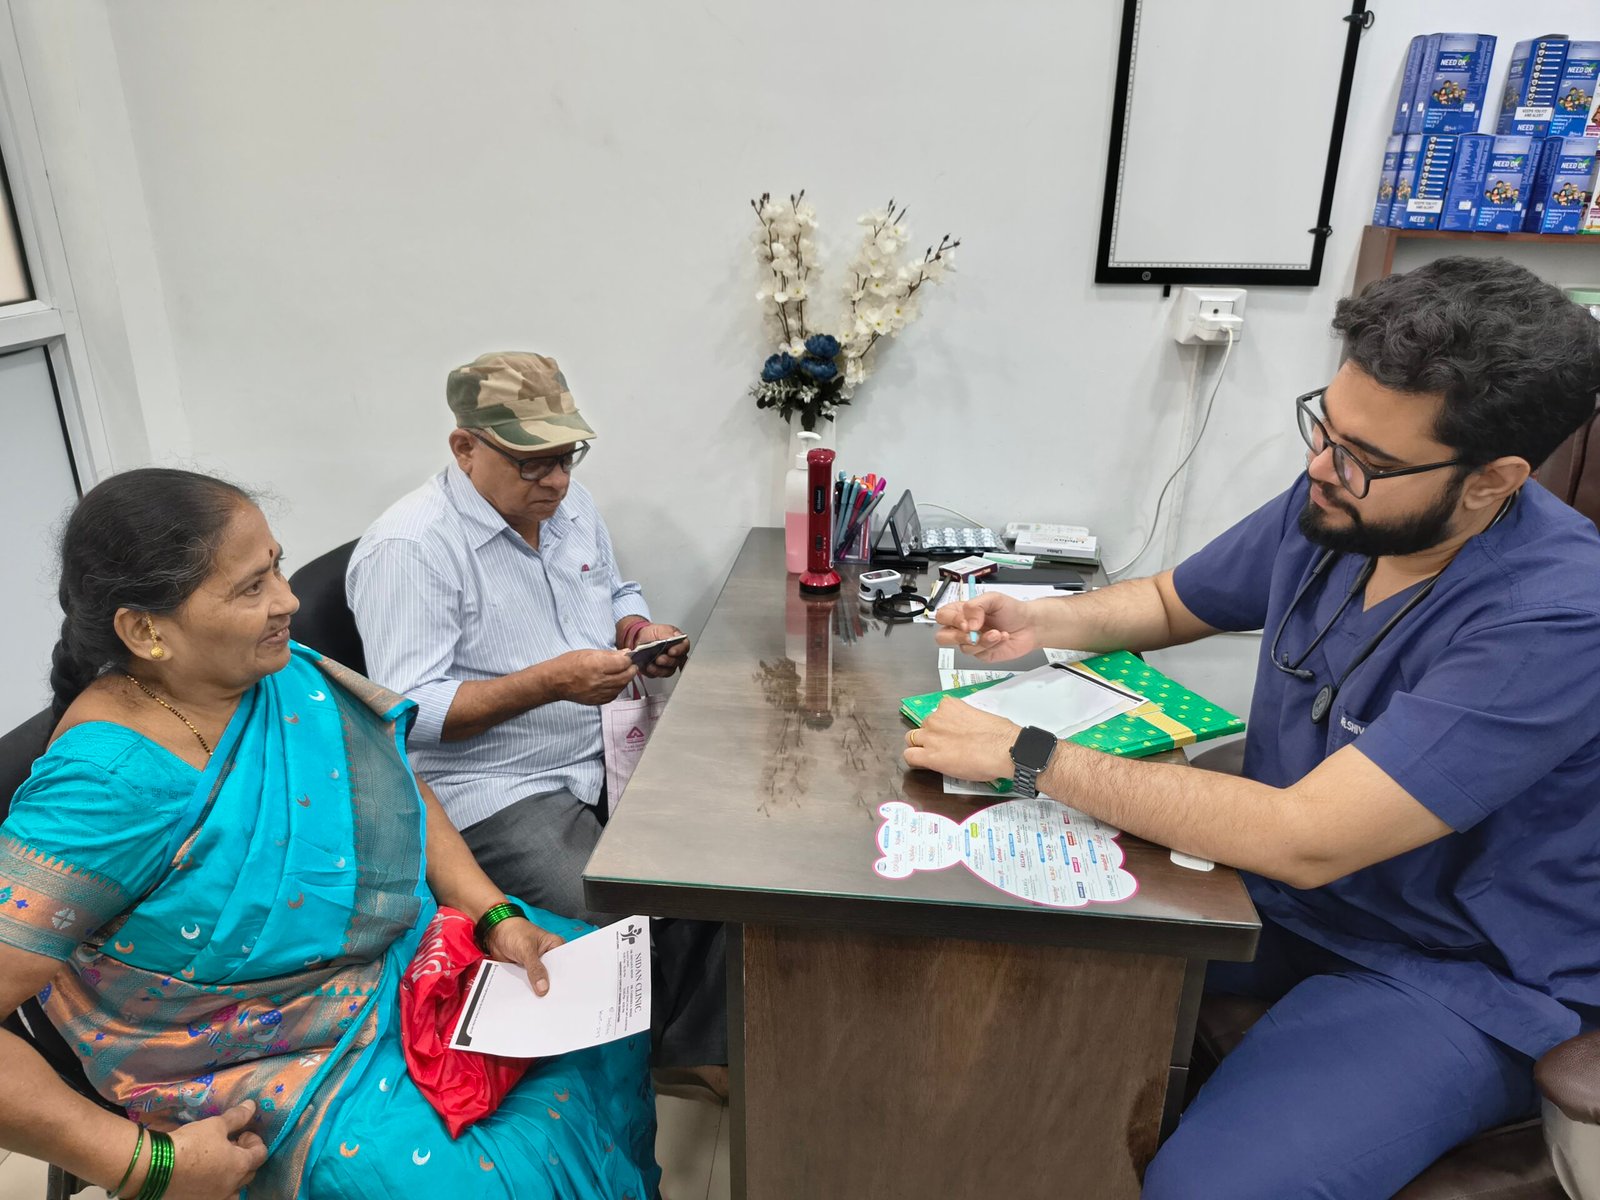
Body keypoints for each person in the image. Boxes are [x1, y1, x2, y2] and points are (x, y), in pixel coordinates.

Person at [904, 257, 1600, 1199]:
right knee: (1000, 963)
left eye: (1365, 458)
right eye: (1326, 427)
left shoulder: (1557, 617)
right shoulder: (1345, 504)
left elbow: (1306, 837)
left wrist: (1028, 755)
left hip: (1455, 969)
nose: (1321, 468)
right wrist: (1043, 619)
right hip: (1276, 895)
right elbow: (1171, 600)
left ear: (1492, 481)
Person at [0, 468, 659, 1199]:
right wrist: (146, 1166)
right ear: (146, 631)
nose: (288, 600)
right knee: (482, 1180)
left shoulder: (275, 675)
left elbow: (402, 790)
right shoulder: (103, 787)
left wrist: (493, 913)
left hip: (394, 958)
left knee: (592, 1005)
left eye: (277, 567)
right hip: (256, 1056)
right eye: (251, 588)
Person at [348, 351, 726, 1087]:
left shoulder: (568, 506)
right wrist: (549, 683)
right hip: (495, 786)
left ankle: (694, 1039)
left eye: (567, 456)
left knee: (719, 867)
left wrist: (637, 630)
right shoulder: (411, 549)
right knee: (621, 915)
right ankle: (671, 1057)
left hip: (605, 743)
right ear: (465, 447)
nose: (555, 480)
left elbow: (617, 589)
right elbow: (407, 715)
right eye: (531, 462)